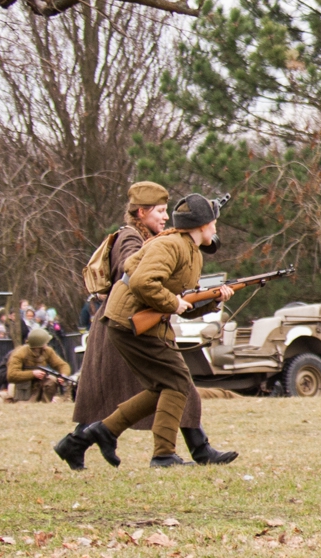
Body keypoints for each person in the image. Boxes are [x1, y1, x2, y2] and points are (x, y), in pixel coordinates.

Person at [55, 192, 236, 469]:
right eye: (214, 223)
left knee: (162, 387)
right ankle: (162, 455)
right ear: (201, 225)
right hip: (130, 321)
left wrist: (213, 302)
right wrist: (172, 302)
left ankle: (89, 438)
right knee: (176, 383)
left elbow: (184, 304)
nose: (216, 229)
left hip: (142, 322)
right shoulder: (172, 245)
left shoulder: (191, 252)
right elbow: (142, 282)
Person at [5, 328, 72, 402]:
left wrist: (63, 375)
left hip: (39, 383)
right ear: (39, 344)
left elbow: (62, 365)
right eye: (45, 343)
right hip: (23, 387)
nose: (47, 344)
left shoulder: (47, 351)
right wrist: (32, 374)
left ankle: (45, 403)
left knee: (52, 380)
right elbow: (11, 375)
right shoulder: (19, 353)